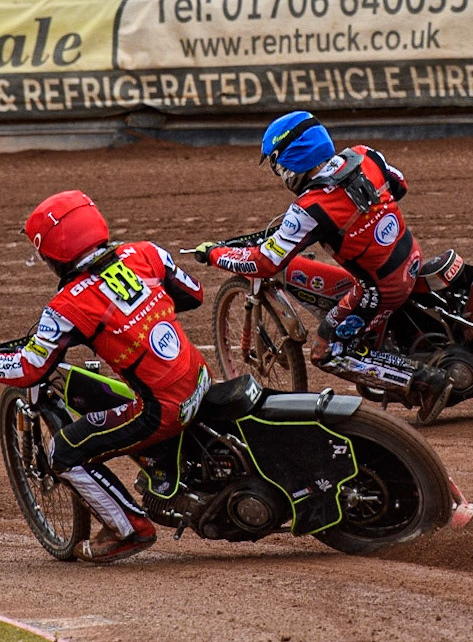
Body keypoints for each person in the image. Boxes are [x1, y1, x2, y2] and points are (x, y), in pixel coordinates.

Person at [0, 190, 210, 563]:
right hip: (200, 377)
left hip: (163, 410)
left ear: (56, 253)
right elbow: (194, 294)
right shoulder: (146, 253)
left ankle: (130, 530)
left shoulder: (66, 306)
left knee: (64, 451)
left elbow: (31, 368)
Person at [193, 111, 452, 422]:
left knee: (326, 351)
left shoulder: (310, 208)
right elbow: (400, 185)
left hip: (382, 289)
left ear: (289, 159)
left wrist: (214, 254)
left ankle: (424, 381)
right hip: (409, 255)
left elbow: (264, 262)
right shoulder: (365, 154)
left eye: (276, 165)